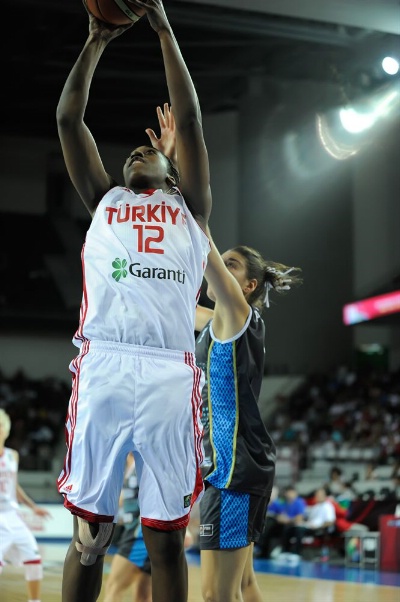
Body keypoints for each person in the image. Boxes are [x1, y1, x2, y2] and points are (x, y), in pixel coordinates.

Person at [55, 0, 212, 600]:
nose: (133, 155)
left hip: (170, 371)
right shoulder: (105, 201)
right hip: (105, 363)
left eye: (146, 151)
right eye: (129, 155)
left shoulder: (190, 208)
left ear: (173, 169)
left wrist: (163, 27)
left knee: (166, 539)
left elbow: (192, 121)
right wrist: (95, 42)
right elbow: (70, 122)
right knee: (90, 534)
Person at [194, 235, 303, 601]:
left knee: (215, 594)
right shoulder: (218, 322)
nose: (221, 268)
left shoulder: (237, 315)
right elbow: (174, 307)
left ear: (248, 286)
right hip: (237, 466)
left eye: (232, 265)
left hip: (233, 470)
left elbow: (206, 259)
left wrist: (194, 218)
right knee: (243, 585)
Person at [0, 409, 51, 602]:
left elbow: (14, 485)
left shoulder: (13, 456)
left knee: (33, 558)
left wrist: (33, 506)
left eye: (1, 426)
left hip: (13, 515)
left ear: (7, 429)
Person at [104, 453, 151, 602]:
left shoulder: (144, 461)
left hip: (139, 533)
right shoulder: (130, 465)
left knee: (113, 586)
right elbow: (123, 500)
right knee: (142, 595)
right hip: (140, 531)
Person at [256, 485, 307, 559]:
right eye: (288, 493)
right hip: (280, 524)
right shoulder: (282, 502)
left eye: (291, 493)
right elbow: (273, 511)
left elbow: (300, 517)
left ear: (295, 493)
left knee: (287, 528)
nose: (289, 495)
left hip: (291, 525)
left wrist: (288, 520)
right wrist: (278, 517)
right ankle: (262, 549)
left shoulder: (299, 502)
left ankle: (286, 551)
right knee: (268, 523)